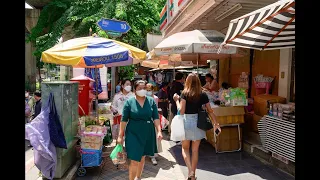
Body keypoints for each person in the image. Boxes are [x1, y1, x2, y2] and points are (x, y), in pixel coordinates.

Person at [173, 73, 221, 180]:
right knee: (195, 150)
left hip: (186, 122)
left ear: (187, 82)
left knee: (185, 149)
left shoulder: (184, 94)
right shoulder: (203, 94)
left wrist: (177, 101)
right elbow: (210, 111)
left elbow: (181, 111)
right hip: (199, 123)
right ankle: (192, 175)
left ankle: (190, 172)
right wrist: (216, 123)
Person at [117, 80, 162, 180]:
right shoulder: (129, 102)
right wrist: (120, 136)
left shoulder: (151, 102)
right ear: (135, 90)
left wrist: (159, 131)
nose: (142, 90)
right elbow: (123, 120)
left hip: (147, 132)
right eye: (139, 88)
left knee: (142, 157)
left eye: (144, 88)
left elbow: (156, 117)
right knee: (133, 159)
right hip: (133, 133)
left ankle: (139, 177)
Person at [146, 83, 162, 165]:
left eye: (150, 90)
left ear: (153, 90)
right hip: (144, 121)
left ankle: (153, 156)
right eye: (147, 90)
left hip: (153, 121)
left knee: (153, 138)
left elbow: (155, 112)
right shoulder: (143, 98)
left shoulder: (155, 98)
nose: (148, 91)